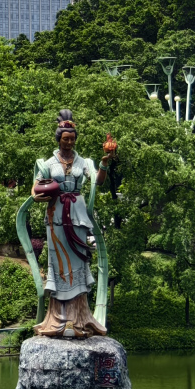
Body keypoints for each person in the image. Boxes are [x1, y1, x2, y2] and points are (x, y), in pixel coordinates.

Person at [30, 110, 114, 339]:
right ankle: (56, 320)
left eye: (72, 139)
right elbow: (36, 188)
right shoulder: (47, 163)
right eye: (65, 138)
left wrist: (104, 163)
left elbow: (98, 181)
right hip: (56, 214)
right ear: (58, 139)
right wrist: (38, 196)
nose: (69, 142)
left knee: (80, 260)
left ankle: (80, 317)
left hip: (77, 212)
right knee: (57, 263)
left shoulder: (83, 162)